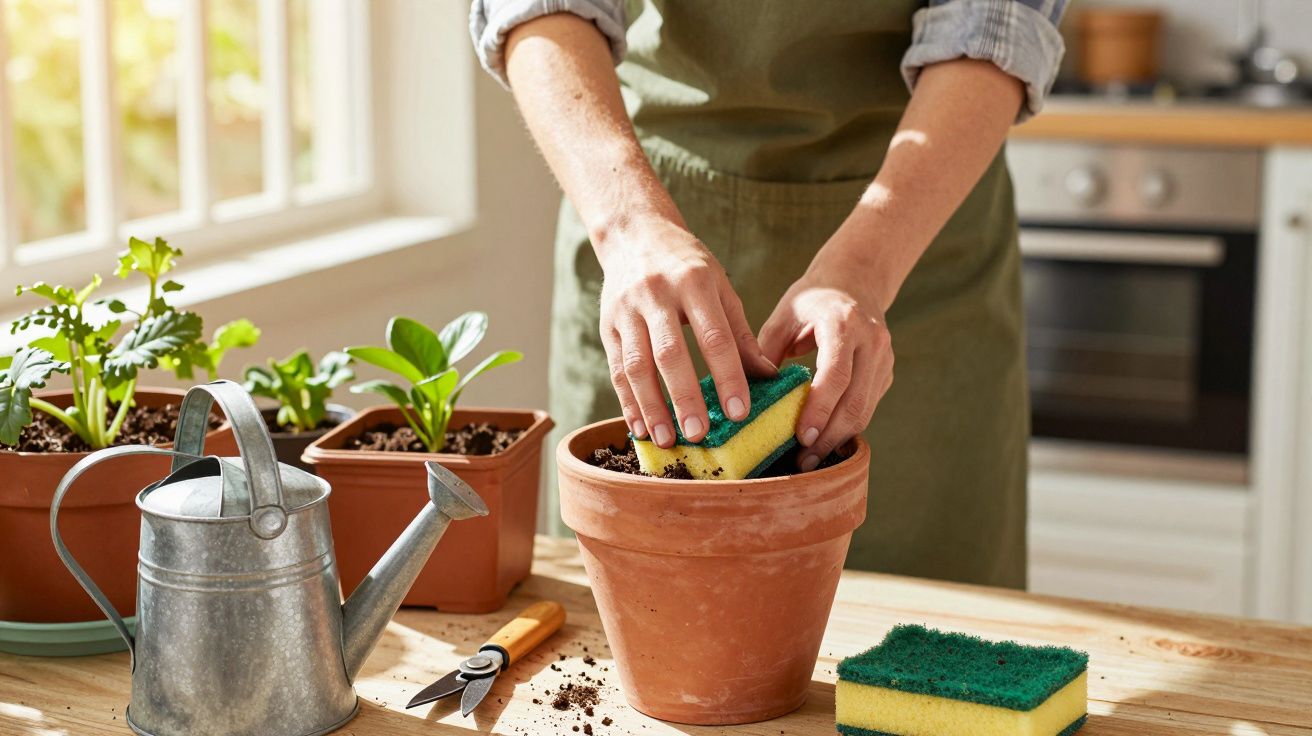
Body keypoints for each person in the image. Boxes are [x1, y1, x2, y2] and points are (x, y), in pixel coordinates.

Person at [470, 0, 1067, 588]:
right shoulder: (631, 235)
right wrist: (628, 225)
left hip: (917, 230)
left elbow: (993, 31)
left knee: (940, 643)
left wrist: (864, 265)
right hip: (638, 233)